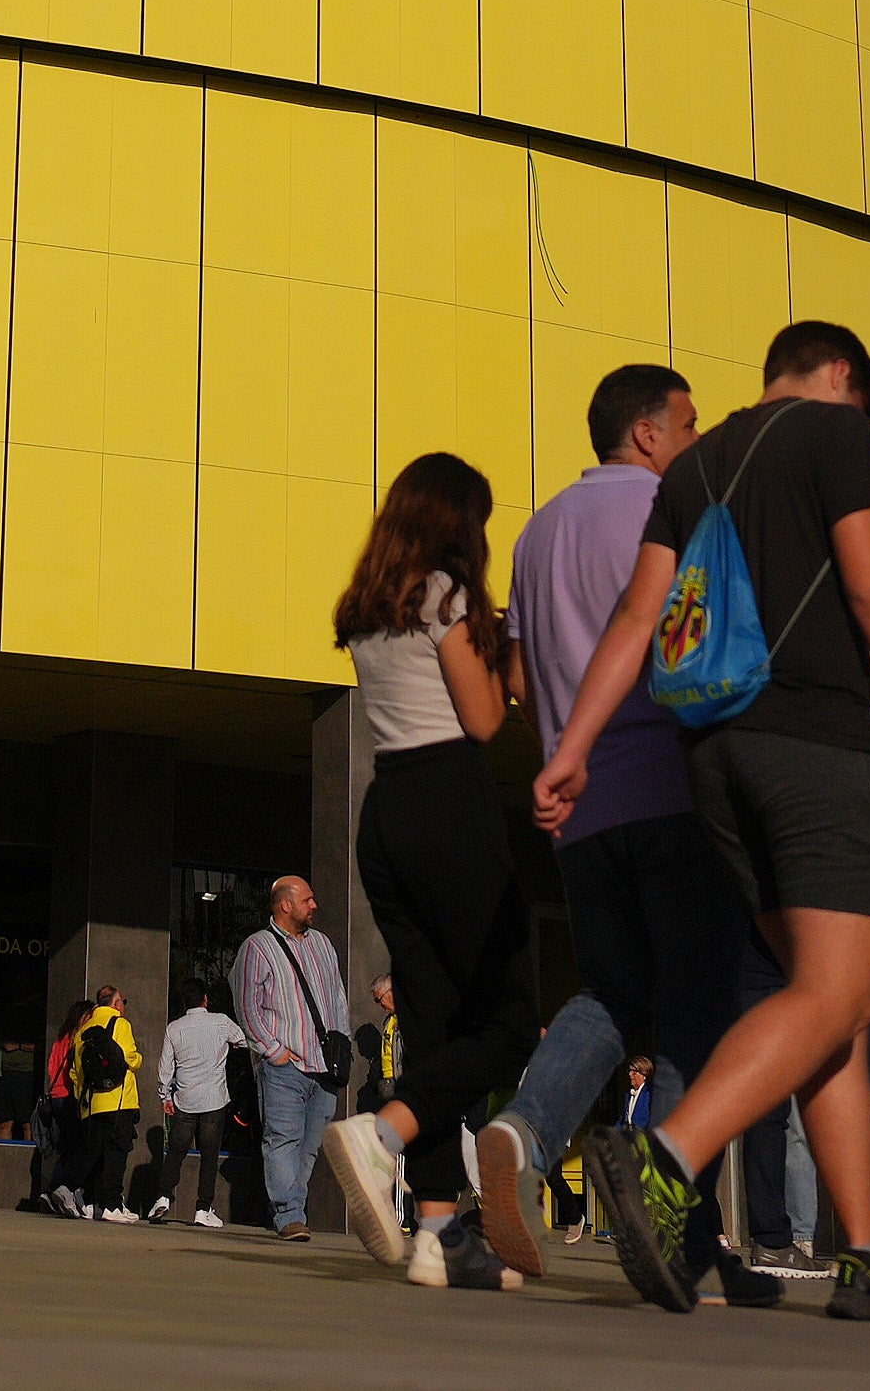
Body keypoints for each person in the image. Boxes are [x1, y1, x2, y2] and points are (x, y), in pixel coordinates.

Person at [533, 316, 870, 1328]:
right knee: (841, 992)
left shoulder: (694, 467)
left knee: (826, 1000)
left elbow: (638, 618)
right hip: (816, 743)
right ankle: (667, 1158)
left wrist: (573, 748)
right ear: (839, 375)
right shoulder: (835, 432)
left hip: (716, 760)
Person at [487, 364, 752, 1261]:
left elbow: (519, 678)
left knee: (609, 989)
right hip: (672, 792)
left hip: (582, 810)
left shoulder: (536, 533)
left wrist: (566, 745)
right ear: (647, 431)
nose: (696, 438)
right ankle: (668, 1219)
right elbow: (704, 644)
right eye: (689, 422)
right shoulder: (674, 509)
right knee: (694, 1006)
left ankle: (523, 1128)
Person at [313, 452, 537, 1292]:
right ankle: (384, 1133)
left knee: (436, 1023)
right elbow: (483, 718)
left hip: (388, 809)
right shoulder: (447, 595)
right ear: (457, 521)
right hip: (450, 802)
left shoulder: (369, 606)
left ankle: (439, 1231)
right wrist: (509, 647)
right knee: (510, 1020)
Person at [233, 880, 355, 1240]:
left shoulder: (323, 944)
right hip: (284, 1066)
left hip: (325, 1066)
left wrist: (342, 1043)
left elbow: (338, 998)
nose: (314, 905)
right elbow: (246, 1004)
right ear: (285, 905)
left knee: (309, 1148)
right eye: (307, 899)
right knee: (282, 1139)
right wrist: (273, 1051)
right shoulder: (257, 947)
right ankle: (289, 1215)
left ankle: (294, 1210)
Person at [151, 979, 243, 1221]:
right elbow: (244, 1040)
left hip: (185, 1098)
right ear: (205, 999)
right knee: (209, 1156)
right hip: (214, 1099)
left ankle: (163, 1196)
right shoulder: (221, 1021)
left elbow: (165, 1067)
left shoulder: (174, 1028)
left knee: (176, 1151)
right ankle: (203, 1208)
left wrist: (165, 1095)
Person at [65, 984, 148, 1219]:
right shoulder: (120, 1024)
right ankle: (112, 1205)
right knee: (116, 1154)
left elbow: (75, 1072)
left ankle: (92, 1202)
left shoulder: (83, 1029)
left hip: (91, 1103)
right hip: (118, 1099)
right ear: (116, 1004)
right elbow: (130, 1058)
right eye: (123, 1001)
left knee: (96, 1154)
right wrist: (139, 1059)